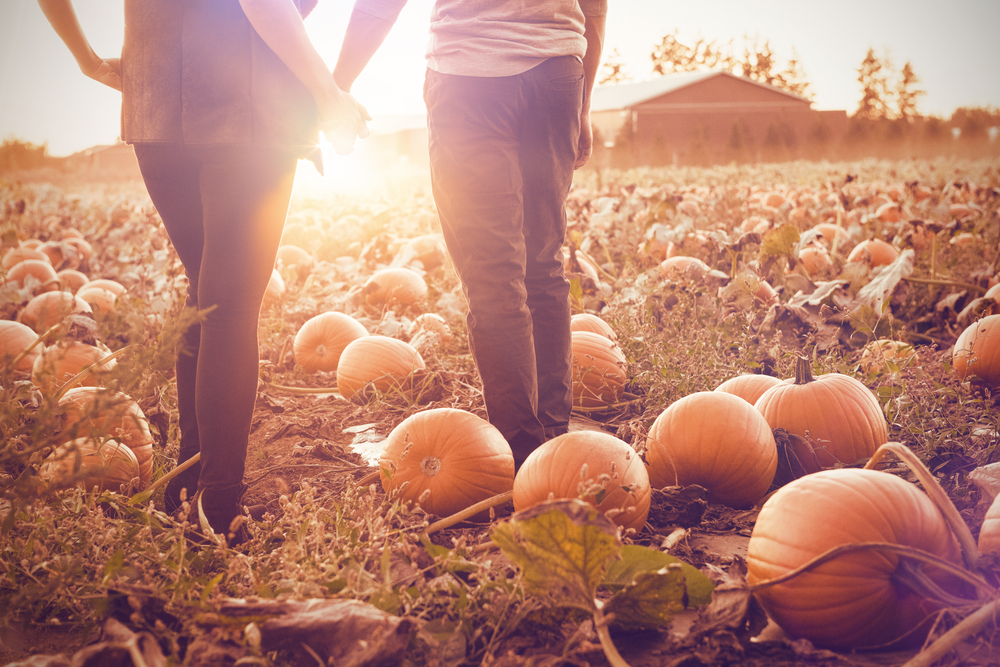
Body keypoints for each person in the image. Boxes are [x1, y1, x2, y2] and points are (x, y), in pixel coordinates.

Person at [37, 0, 367, 544]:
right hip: (252, 103)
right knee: (230, 307)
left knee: (206, 294)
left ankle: (187, 485)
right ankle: (218, 508)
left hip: (155, 99)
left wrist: (88, 60)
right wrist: (327, 95)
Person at [332, 1, 607, 468]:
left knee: (493, 273)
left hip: (469, 78)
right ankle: (553, 446)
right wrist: (581, 100)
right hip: (556, 74)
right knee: (543, 262)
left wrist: (337, 84)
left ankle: (521, 454)